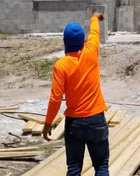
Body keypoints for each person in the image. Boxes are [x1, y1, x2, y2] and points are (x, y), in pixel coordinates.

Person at [43, 12, 109, 176]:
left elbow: (55, 98)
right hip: (96, 120)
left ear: (65, 42)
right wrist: (95, 18)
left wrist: (47, 123)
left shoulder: (61, 66)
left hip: (74, 125)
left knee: (73, 169)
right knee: (101, 167)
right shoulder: (91, 51)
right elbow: (94, 32)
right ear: (82, 41)